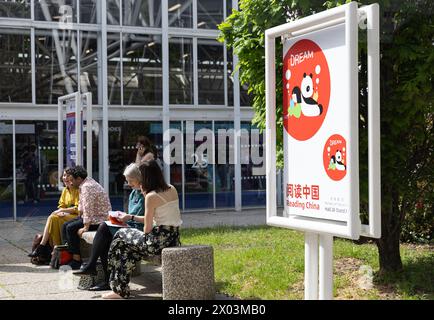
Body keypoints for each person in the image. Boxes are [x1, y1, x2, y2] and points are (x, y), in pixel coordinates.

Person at [102, 159, 182, 299]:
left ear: (145, 177)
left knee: (120, 236)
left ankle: (118, 288)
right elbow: (161, 218)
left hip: (156, 241)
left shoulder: (151, 196)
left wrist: (146, 199)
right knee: (126, 250)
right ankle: (119, 289)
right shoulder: (172, 188)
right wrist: (132, 217)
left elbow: (147, 229)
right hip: (173, 237)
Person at [72, 163, 145, 291]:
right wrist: (121, 217)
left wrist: (128, 217)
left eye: (130, 180)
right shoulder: (134, 192)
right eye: (127, 180)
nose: (128, 183)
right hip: (129, 226)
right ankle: (105, 278)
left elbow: (145, 218)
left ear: (139, 178)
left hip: (137, 229)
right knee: (105, 239)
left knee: (103, 228)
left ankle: (93, 266)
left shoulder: (146, 195)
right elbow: (131, 214)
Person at [61, 166, 112, 270]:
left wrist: (85, 227)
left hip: (99, 220)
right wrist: (79, 213)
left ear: (79, 179)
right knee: (65, 225)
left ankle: (76, 259)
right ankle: (70, 251)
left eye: (72, 180)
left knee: (70, 228)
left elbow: (88, 208)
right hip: (94, 217)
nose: (70, 183)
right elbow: (82, 204)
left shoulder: (87, 187)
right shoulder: (85, 184)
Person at [28, 167, 79, 261]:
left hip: (77, 215)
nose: (65, 178)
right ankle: (55, 249)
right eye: (64, 175)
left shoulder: (77, 190)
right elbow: (61, 205)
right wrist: (62, 211)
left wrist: (64, 211)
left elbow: (78, 208)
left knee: (53, 218)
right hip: (66, 215)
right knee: (55, 218)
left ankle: (45, 247)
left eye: (68, 176)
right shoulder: (65, 190)